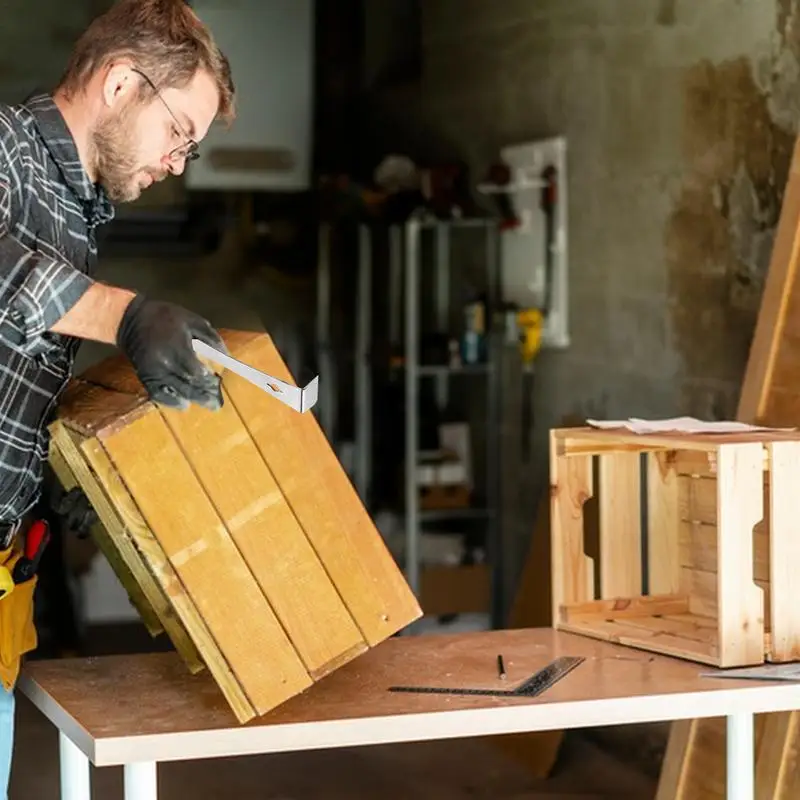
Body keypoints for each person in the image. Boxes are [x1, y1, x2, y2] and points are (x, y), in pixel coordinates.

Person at [0, 0, 236, 792]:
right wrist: (124, 314)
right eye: (179, 133)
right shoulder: (5, 151)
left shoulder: (76, 211)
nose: (179, 163)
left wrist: (52, 478)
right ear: (122, 83)